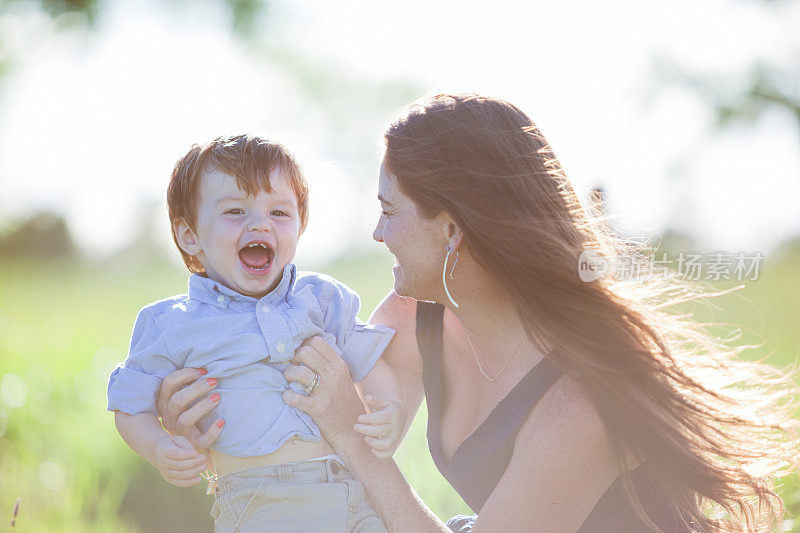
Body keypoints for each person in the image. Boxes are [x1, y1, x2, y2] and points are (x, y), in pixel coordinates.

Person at [156, 96, 800, 532]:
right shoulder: (415, 319)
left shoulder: (575, 408)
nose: (376, 235)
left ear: (452, 230)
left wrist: (353, 435)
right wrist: (195, 411)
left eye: (390, 211)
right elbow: (312, 428)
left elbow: (350, 434)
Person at [106, 134, 407, 533]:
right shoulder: (172, 323)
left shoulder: (319, 298)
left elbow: (369, 363)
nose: (260, 223)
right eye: (235, 210)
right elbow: (130, 405)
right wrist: (159, 447)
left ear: (300, 227)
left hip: (346, 491)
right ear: (189, 235)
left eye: (279, 213)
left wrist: (390, 408)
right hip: (256, 503)